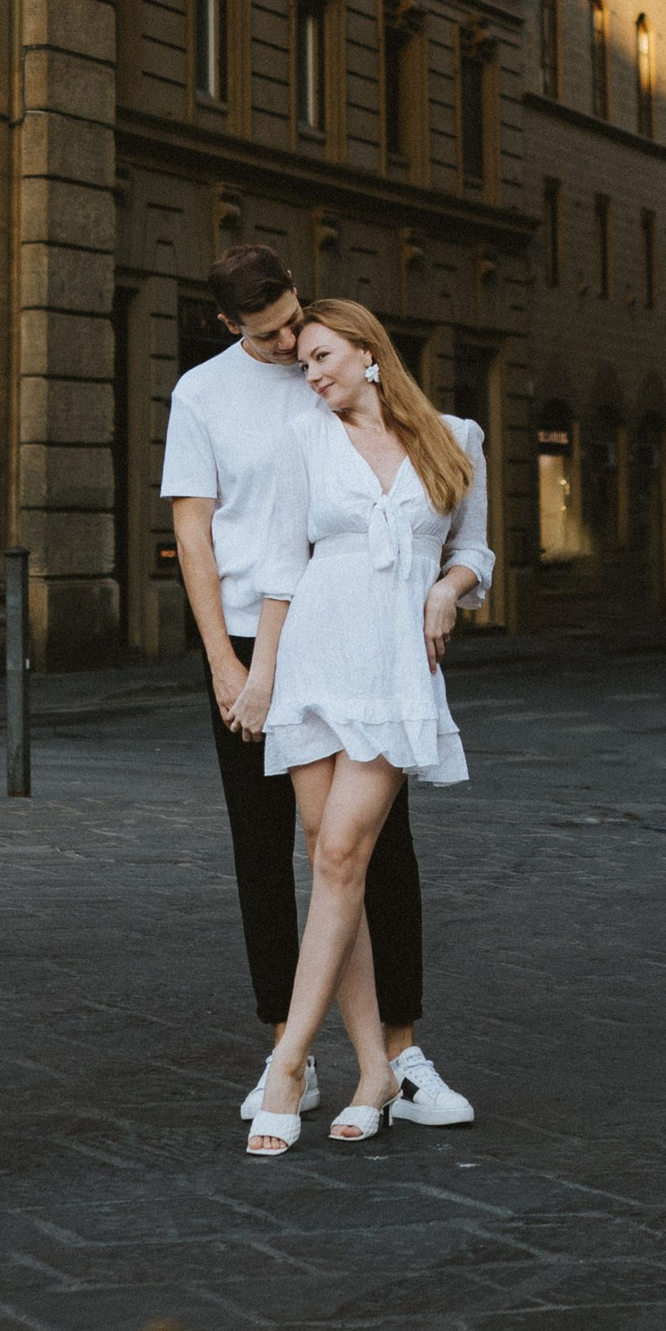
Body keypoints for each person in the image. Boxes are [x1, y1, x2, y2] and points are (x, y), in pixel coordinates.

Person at [162, 245, 474, 1131]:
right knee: (266, 854)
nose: (295, 342)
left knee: (378, 850)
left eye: (299, 321)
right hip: (256, 635)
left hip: (350, 627)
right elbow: (194, 537)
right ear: (231, 327)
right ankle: (282, 1053)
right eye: (273, 336)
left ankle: (401, 1058)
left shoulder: (330, 362)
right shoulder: (203, 395)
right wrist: (225, 662)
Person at [232, 302, 493, 1155]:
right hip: (313, 660)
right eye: (304, 363)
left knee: (343, 856)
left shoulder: (457, 437)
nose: (312, 375)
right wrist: (261, 679)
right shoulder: (304, 440)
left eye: (322, 356)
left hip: (391, 669)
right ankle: (378, 1069)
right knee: (326, 857)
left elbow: (476, 553)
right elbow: (280, 567)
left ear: (370, 353)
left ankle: (290, 1061)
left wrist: (445, 591)